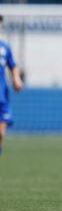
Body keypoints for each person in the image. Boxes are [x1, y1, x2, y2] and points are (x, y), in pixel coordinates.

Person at [0, 15, 24, 155]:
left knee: (1, 134)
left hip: (2, 95)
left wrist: (16, 79)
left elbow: (13, 66)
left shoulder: (5, 48)